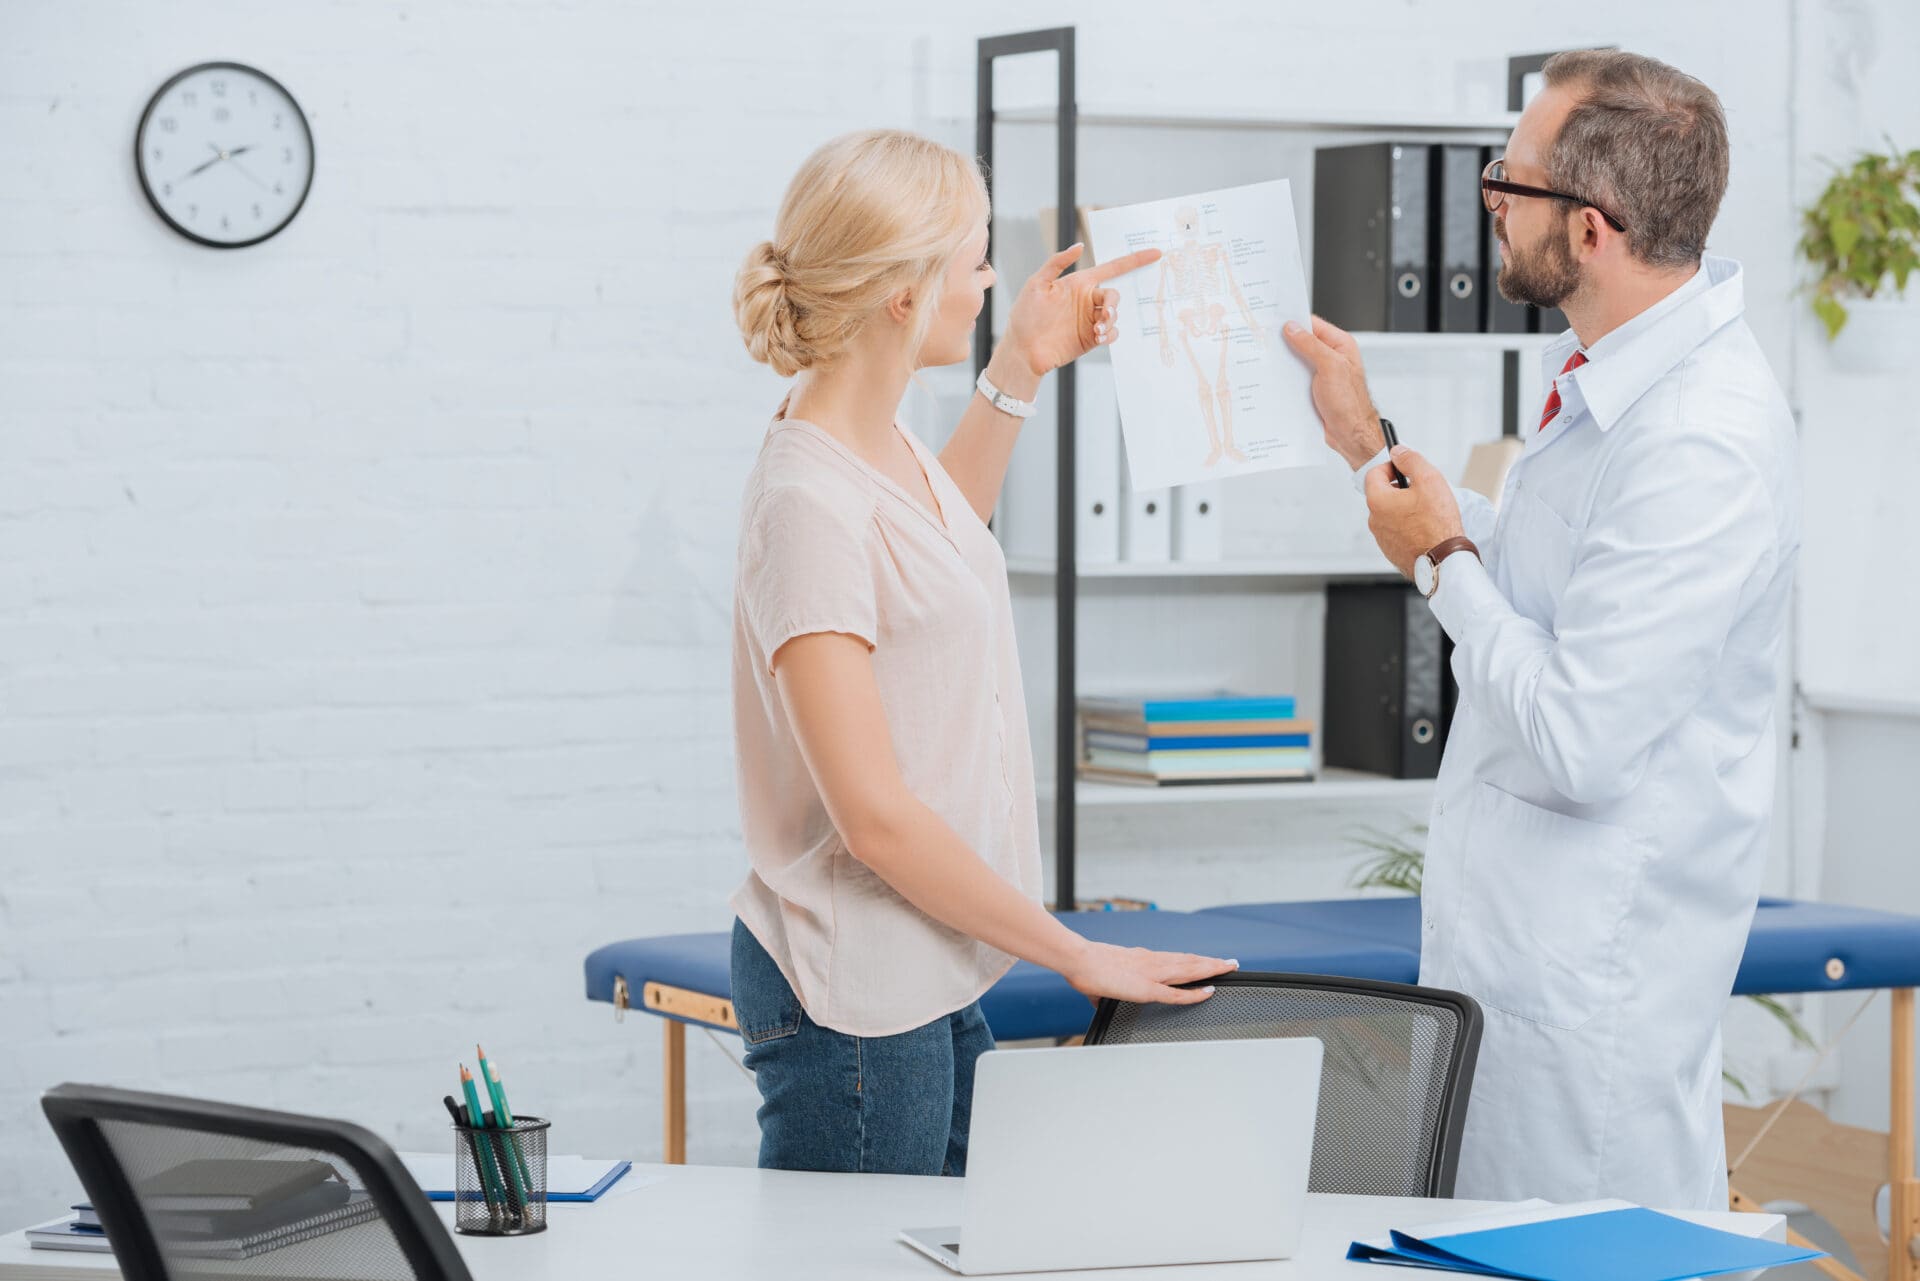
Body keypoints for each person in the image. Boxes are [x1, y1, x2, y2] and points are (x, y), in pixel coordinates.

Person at [1284, 50, 1799, 1209]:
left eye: (1505, 182)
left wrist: (1438, 564)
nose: (1489, 206)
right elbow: (1544, 576)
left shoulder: (1700, 440)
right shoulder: (1621, 380)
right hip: (1517, 973)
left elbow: (1582, 736)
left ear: (1593, 230)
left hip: (1589, 1016)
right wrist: (1369, 445)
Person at [728, 129, 1237, 1177]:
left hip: (935, 958)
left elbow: (935, 553)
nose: (992, 277)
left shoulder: (874, 440)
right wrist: (1079, 954)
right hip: (857, 994)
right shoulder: (807, 501)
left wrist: (1020, 367)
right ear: (903, 294)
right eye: (973, 256)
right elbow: (873, 818)